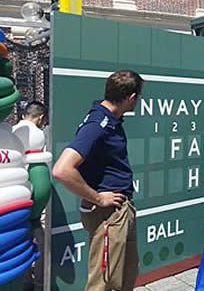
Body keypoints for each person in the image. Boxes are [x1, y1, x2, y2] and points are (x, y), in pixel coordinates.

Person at [52, 70, 143, 291]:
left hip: (121, 209)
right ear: (131, 97)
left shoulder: (110, 120)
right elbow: (62, 170)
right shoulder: (98, 124)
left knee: (125, 275)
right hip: (108, 214)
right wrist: (98, 198)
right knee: (103, 282)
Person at [14, 101, 49, 291]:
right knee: (40, 246)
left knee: (19, 248)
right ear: (41, 117)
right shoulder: (37, 135)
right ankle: (39, 285)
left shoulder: (11, 132)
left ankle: (24, 283)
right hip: (32, 205)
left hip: (13, 203)